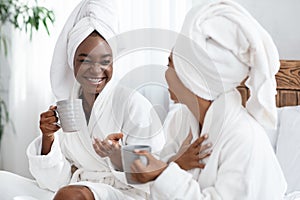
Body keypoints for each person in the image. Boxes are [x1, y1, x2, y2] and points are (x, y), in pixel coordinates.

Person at [0, 0, 165, 199]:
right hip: (78, 187)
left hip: (126, 193)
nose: (96, 70)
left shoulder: (132, 104)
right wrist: (48, 138)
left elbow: (154, 178)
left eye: (105, 61)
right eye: (85, 60)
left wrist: (118, 156)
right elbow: (55, 182)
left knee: (72, 195)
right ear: (72, 60)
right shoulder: (69, 105)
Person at [130, 0, 287, 199]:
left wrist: (162, 173)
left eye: (170, 63)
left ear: (190, 78)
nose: (165, 72)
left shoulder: (244, 139)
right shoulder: (183, 121)